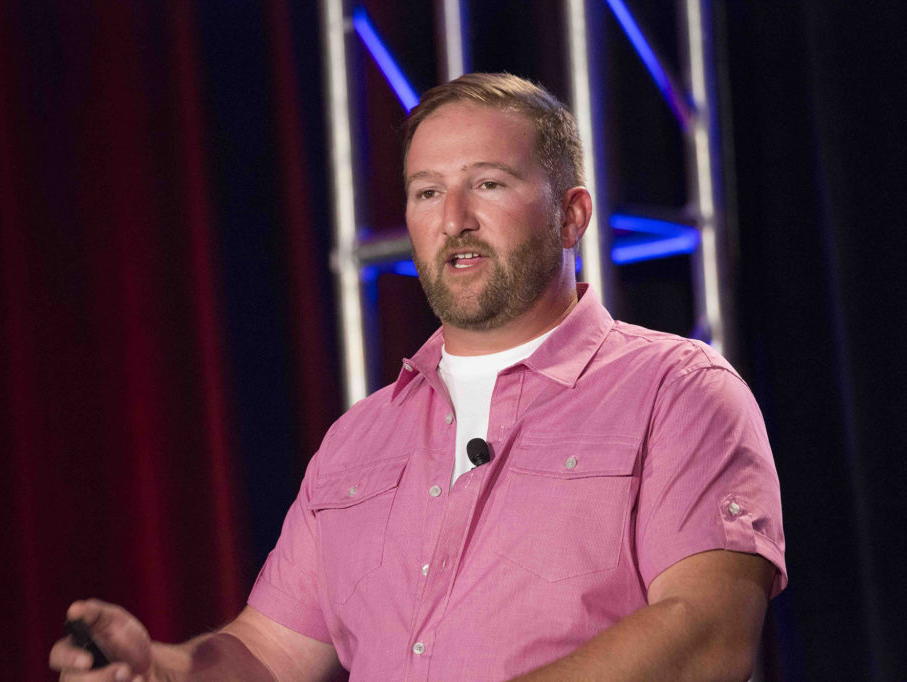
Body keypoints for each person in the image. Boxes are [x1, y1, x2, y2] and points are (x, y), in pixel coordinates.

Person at [50, 73, 785, 681]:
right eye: (427, 192)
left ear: (571, 216)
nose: (454, 219)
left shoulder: (677, 392)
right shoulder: (359, 439)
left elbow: (707, 640)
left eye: (488, 184)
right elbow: (266, 655)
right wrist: (162, 670)